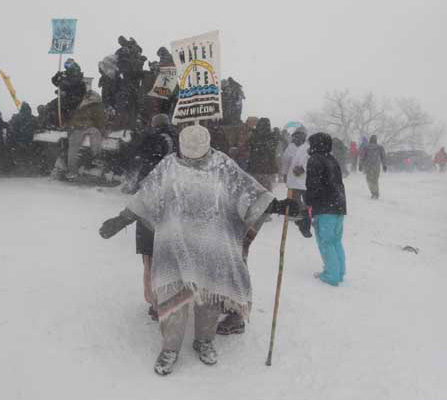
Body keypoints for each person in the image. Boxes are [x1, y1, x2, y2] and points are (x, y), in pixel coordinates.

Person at [98, 125, 299, 376]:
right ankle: (170, 348)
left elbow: (248, 192)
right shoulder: (168, 166)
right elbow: (146, 196)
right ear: (181, 148)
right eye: (189, 152)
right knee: (172, 297)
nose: (194, 157)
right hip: (174, 245)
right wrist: (122, 219)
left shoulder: (223, 165)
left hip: (211, 246)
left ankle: (204, 340)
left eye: (199, 153)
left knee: (209, 297)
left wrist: (278, 205)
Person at [130, 114, 177, 320]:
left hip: (151, 202)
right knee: (168, 257)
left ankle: (157, 304)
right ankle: (170, 299)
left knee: (150, 258)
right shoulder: (178, 141)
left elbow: (138, 154)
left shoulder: (150, 138)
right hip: (173, 205)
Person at [305, 132, 347, 287]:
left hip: (324, 207)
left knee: (326, 241)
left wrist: (308, 201)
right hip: (338, 205)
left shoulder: (314, 160)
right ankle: (339, 271)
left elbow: (313, 185)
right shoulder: (332, 159)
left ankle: (331, 275)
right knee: (335, 240)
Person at [64, 90, 106, 181]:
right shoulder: (97, 106)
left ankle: (72, 171)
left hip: (76, 127)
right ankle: (96, 158)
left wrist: (70, 128)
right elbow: (100, 120)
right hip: (87, 126)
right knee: (96, 134)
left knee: (73, 150)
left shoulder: (81, 105)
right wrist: (102, 130)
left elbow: (73, 118)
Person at [286, 130, 312, 238]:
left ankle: (304, 218)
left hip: (301, 179)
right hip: (297, 180)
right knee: (296, 198)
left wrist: (301, 169)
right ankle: (298, 214)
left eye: (297, 138)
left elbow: (308, 162)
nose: (295, 140)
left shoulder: (306, 148)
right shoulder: (296, 148)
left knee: (303, 200)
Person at [248, 117, 279, 191]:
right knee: (266, 192)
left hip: (255, 168)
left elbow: (253, 146)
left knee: (254, 192)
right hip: (267, 169)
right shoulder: (272, 137)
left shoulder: (254, 136)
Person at [51, 59, 87, 124]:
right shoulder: (65, 74)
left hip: (75, 99)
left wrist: (62, 82)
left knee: (57, 106)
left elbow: (73, 83)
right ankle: (51, 121)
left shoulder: (76, 73)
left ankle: (60, 122)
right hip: (65, 98)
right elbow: (55, 82)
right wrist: (56, 77)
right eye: (66, 64)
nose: (67, 66)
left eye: (69, 64)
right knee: (51, 106)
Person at [359, 135, 387, 199]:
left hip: (368, 166)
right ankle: (376, 193)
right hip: (376, 166)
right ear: (376, 140)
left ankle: (373, 192)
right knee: (375, 180)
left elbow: (362, 157)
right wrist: (384, 165)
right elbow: (383, 157)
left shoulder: (366, 147)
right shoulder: (380, 147)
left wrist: (360, 165)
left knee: (369, 180)